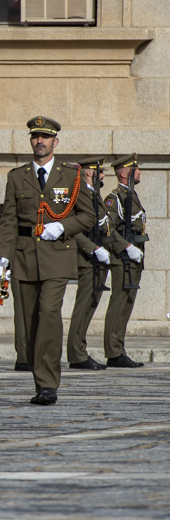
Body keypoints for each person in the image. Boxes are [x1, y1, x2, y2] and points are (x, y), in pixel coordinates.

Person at [0, 116, 95, 406]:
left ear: (55, 142)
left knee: (49, 315)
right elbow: (8, 221)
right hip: (24, 256)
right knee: (29, 324)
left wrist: (62, 227)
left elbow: (87, 215)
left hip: (57, 257)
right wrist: (3, 254)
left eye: (45, 137)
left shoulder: (71, 175)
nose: (40, 141)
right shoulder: (17, 176)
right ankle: (39, 379)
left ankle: (48, 385)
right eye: (35, 137)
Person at [64, 157, 111, 372]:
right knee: (83, 305)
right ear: (89, 172)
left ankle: (80, 350)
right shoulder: (79, 191)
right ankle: (76, 354)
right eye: (100, 171)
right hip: (86, 257)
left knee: (90, 304)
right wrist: (93, 249)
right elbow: (73, 227)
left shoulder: (94, 193)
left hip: (96, 256)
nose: (103, 175)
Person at [102, 154, 149, 368]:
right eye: (135, 168)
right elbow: (108, 228)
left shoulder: (131, 195)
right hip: (122, 258)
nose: (139, 172)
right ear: (124, 173)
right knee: (119, 303)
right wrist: (126, 248)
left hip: (134, 257)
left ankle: (119, 348)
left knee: (127, 304)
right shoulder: (116, 197)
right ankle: (113, 352)